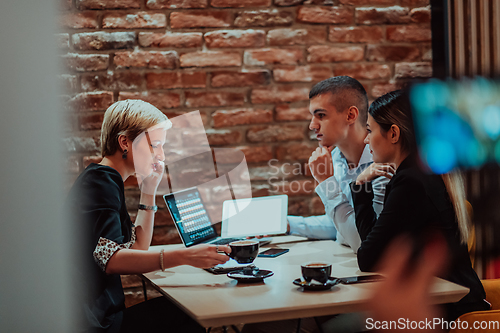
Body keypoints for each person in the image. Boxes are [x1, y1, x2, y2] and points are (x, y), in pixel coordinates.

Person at [68, 100, 231, 333]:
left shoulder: (104, 179)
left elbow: (138, 248)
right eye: (155, 145)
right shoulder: (101, 182)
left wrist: (149, 189)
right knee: (193, 312)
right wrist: (186, 256)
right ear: (125, 142)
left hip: (102, 317)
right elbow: (111, 260)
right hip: (98, 324)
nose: (161, 155)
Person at [351, 90, 490, 321]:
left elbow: (368, 258)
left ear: (393, 133)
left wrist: (359, 185)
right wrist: (362, 187)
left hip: (448, 312)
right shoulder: (423, 172)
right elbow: (377, 248)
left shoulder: (410, 182)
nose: (366, 139)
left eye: (369, 130)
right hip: (453, 302)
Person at [287, 76, 389, 252]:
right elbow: (341, 225)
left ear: (351, 115)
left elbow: (365, 242)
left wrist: (327, 181)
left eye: (321, 115)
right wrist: (287, 224)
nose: (312, 125)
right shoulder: (335, 157)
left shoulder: (382, 163)